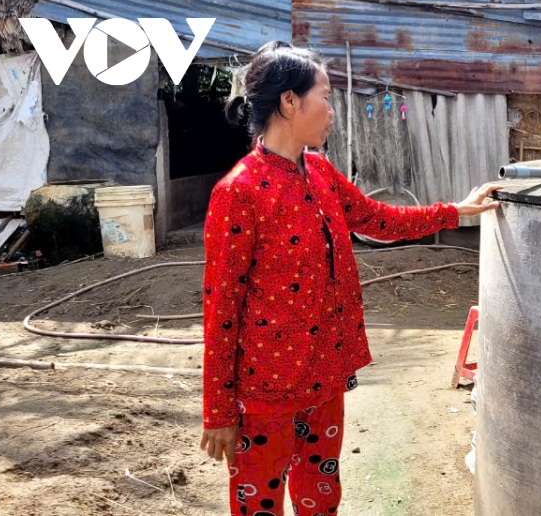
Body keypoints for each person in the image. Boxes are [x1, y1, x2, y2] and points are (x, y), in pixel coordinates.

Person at [199, 41, 500, 516]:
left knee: (322, 500)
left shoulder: (318, 171)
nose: (333, 111)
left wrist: (455, 211)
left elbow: (377, 219)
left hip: (324, 377)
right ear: (289, 102)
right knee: (260, 506)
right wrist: (218, 411)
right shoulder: (238, 193)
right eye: (326, 95)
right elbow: (220, 308)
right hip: (264, 393)